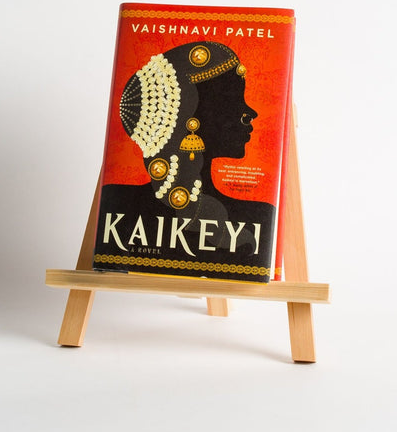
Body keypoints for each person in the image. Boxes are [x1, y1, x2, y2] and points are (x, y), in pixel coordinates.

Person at [94, 41, 275, 282]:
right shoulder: (120, 203)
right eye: (232, 100)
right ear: (189, 117)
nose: (250, 113)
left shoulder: (260, 217)